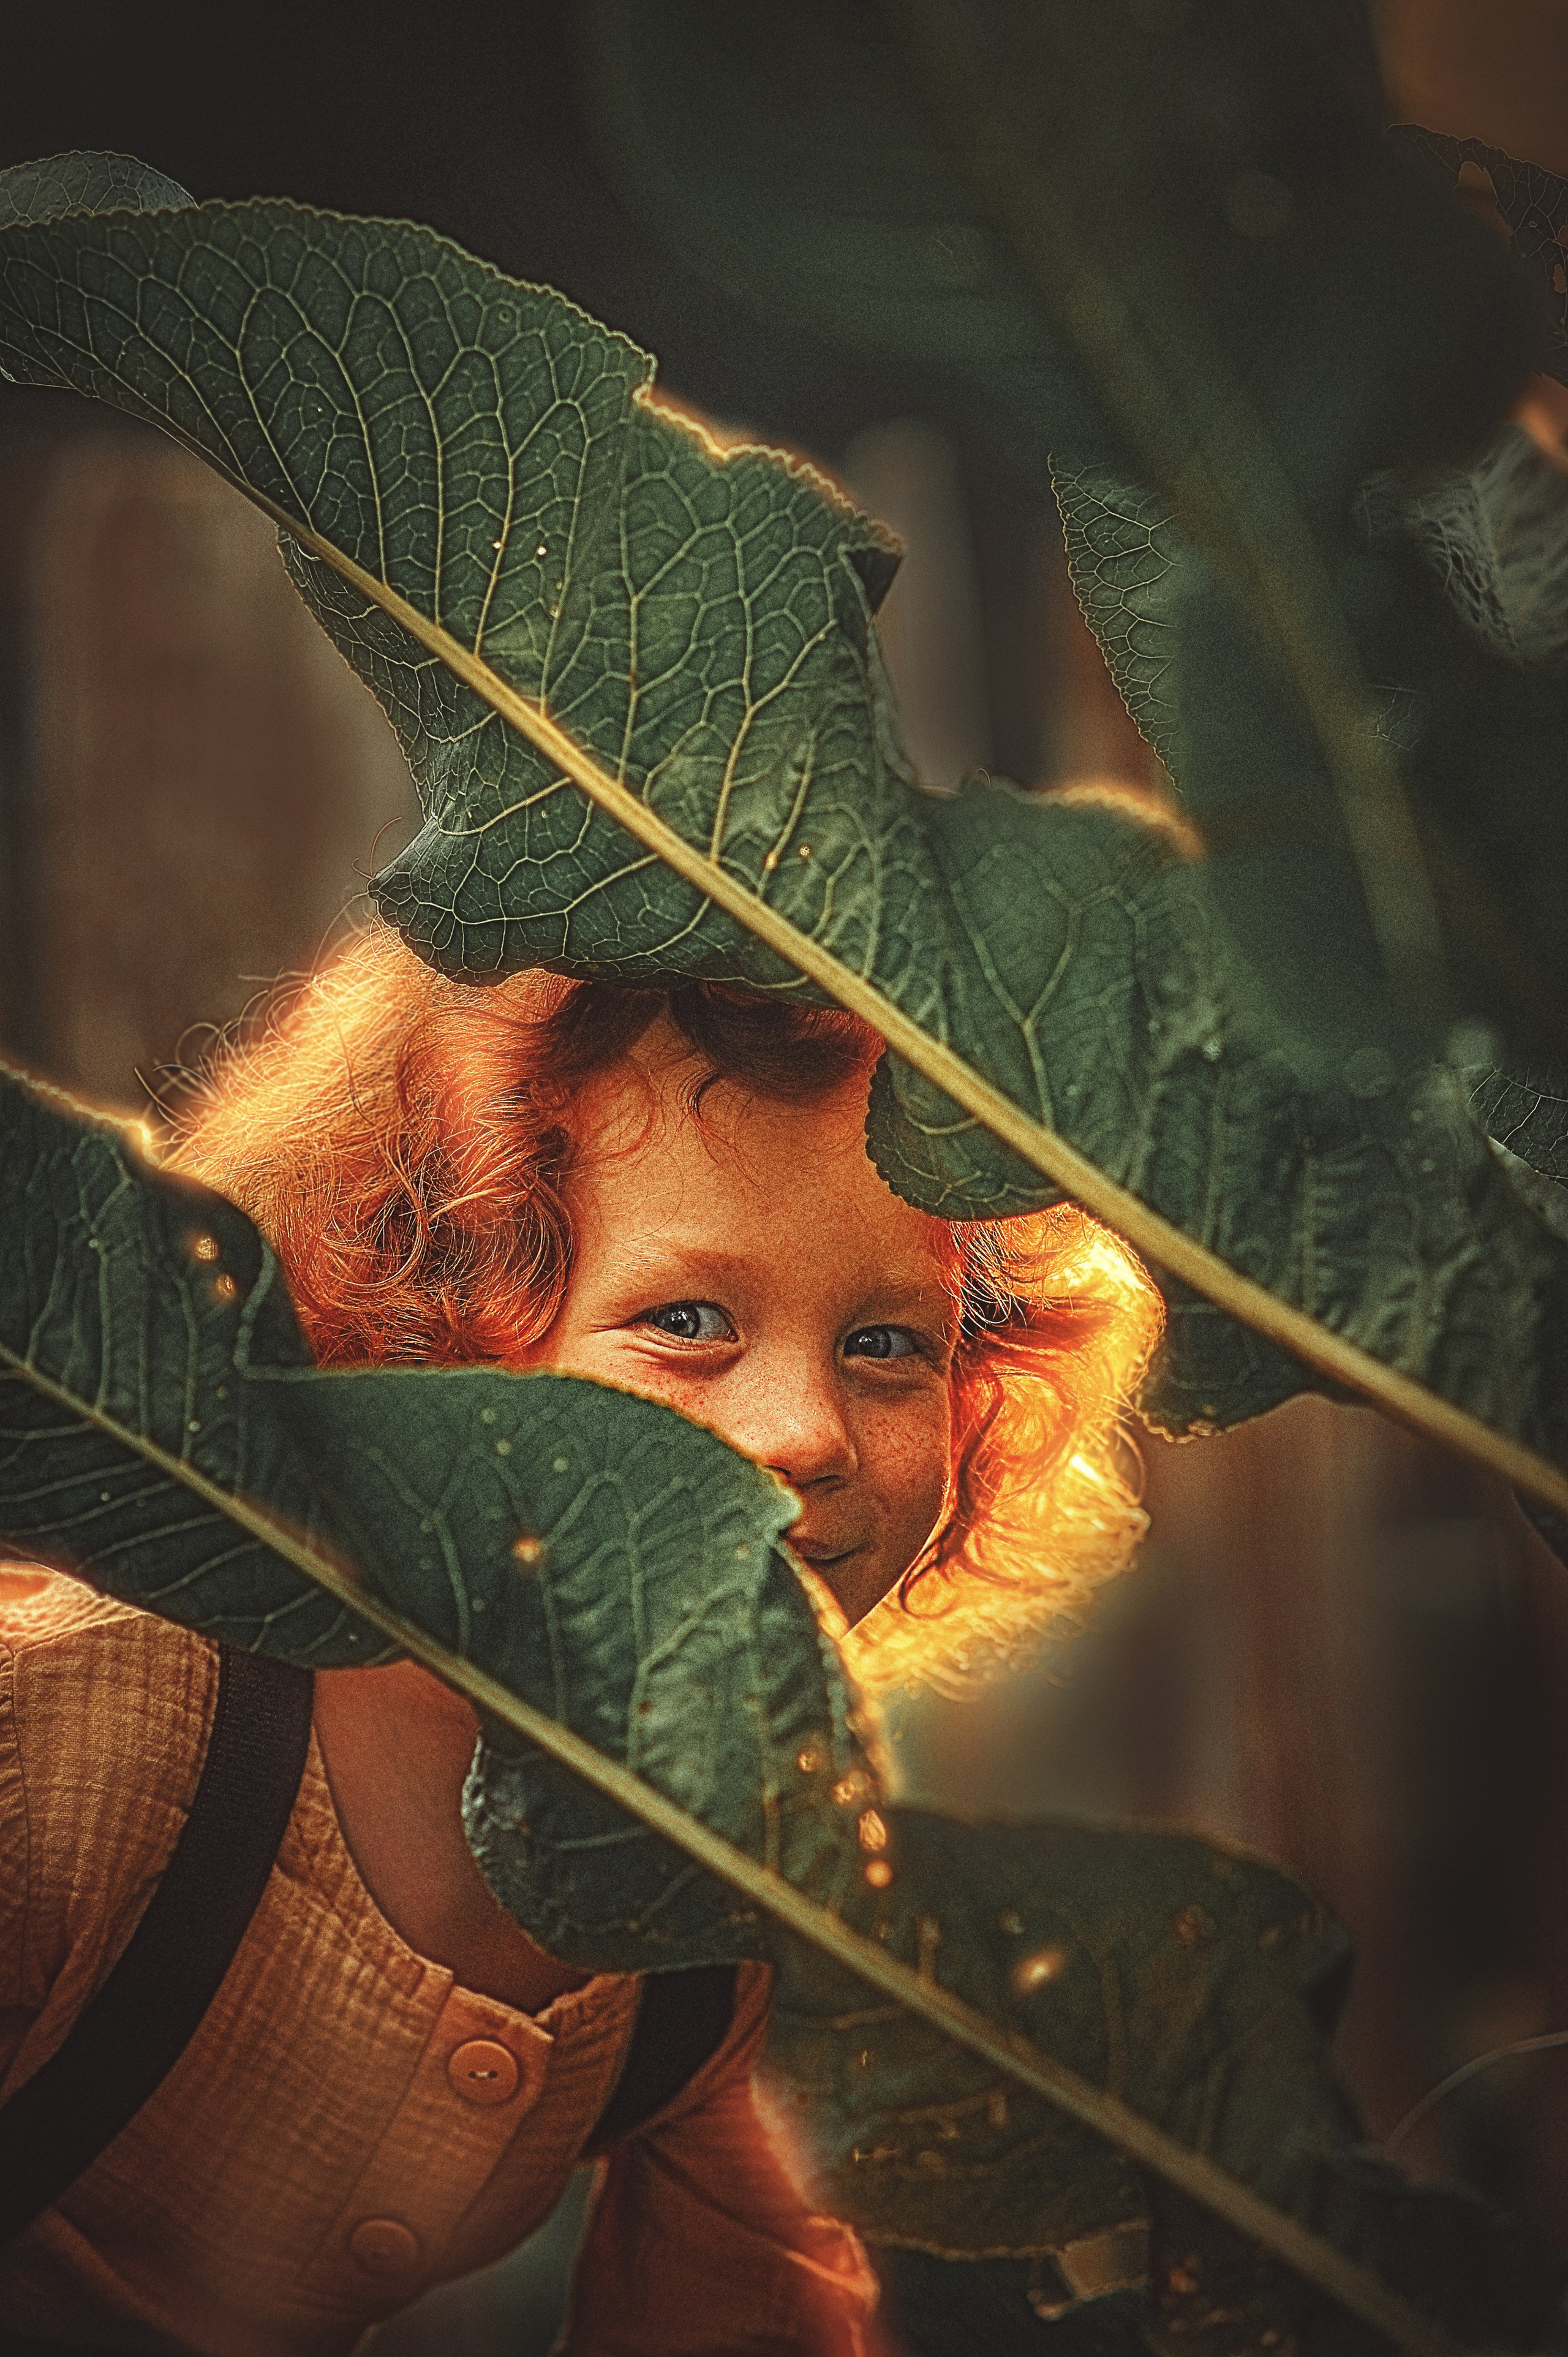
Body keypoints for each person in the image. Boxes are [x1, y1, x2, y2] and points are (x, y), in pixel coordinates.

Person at [0, 922, 1159, 2356]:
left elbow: (749, 2313)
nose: (801, 1431)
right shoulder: (101, 1726)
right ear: (430, 1341)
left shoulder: (744, 1910)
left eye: (886, 1344)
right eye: (685, 1321)